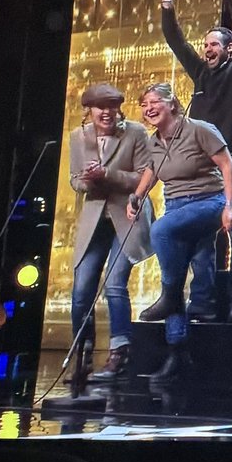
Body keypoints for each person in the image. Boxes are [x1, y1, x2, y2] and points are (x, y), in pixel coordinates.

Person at [158, 0, 232, 320]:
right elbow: (175, 41)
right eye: (207, 44)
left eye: (215, 44)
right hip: (201, 167)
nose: (207, 48)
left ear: (228, 49)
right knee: (202, 240)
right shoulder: (200, 73)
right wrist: (167, 4)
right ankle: (203, 303)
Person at [129, 83, 232, 383]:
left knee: (161, 229)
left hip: (208, 201)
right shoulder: (154, 142)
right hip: (176, 206)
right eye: (144, 103)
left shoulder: (199, 129)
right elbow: (152, 170)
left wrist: (230, 206)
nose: (149, 108)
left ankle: (169, 296)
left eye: (155, 102)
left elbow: (228, 167)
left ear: (172, 104)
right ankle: (177, 352)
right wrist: (137, 195)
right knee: (176, 274)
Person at [67, 83, 154, 380]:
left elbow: (145, 176)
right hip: (95, 219)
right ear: (89, 111)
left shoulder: (136, 133)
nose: (105, 113)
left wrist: (108, 175)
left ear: (118, 109)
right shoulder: (78, 137)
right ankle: (83, 350)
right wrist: (88, 181)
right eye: (99, 107)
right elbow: (74, 180)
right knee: (81, 290)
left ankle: (120, 351)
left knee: (114, 283)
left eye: (111, 107)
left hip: (126, 215)